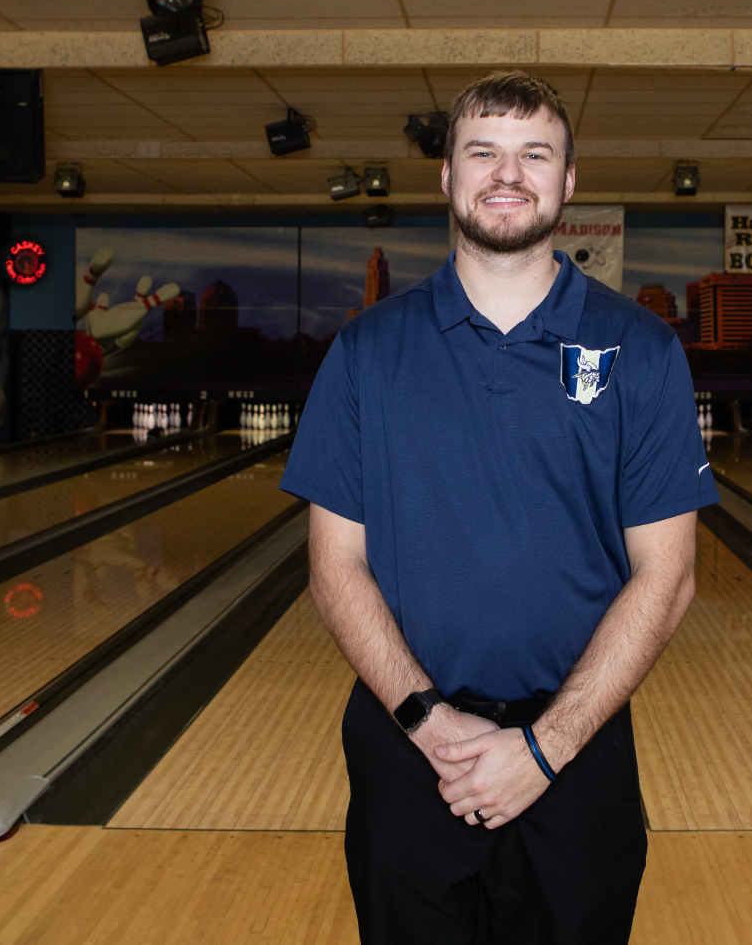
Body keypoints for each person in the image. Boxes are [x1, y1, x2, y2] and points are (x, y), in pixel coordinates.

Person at [279, 69, 719, 944]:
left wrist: (546, 747)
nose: (508, 173)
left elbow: (667, 579)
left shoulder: (640, 349)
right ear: (448, 177)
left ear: (568, 181)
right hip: (409, 748)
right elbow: (334, 566)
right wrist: (429, 721)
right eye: (483, 152)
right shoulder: (366, 350)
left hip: (577, 748)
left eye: (534, 154)